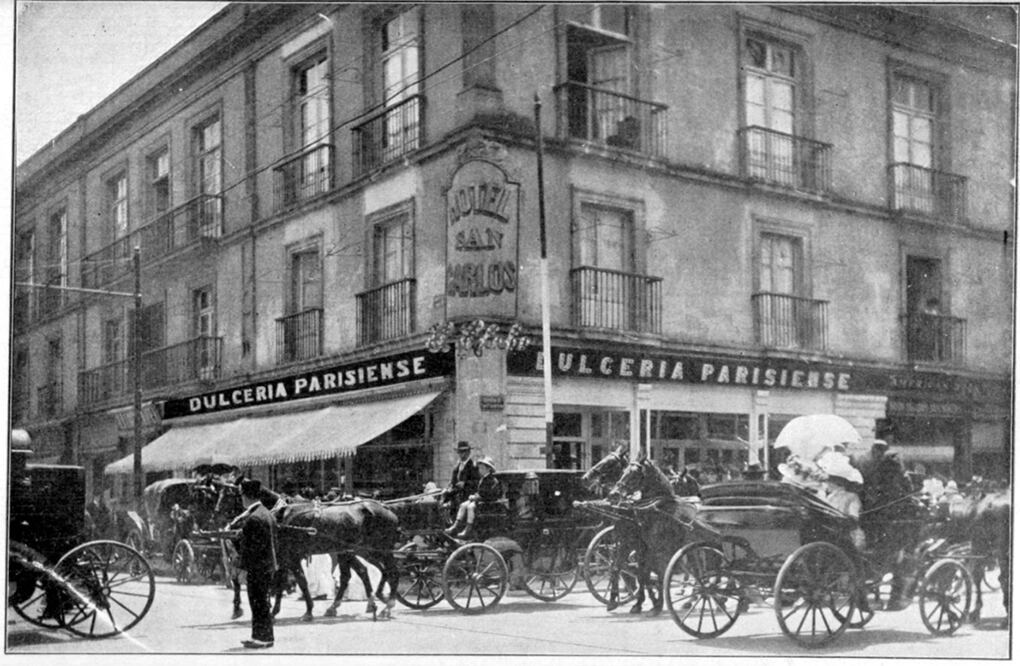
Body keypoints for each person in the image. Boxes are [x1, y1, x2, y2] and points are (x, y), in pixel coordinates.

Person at [860, 440, 914, 610]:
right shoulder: (892, 463)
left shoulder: (861, 460)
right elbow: (907, 488)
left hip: (866, 511)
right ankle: (896, 598)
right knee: (903, 551)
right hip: (889, 515)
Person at [235, 478, 278, 649]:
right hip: (267, 565)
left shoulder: (253, 519)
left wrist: (243, 569)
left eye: (242, 496)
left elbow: (250, 549)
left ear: (246, 497)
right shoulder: (266, 513)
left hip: (257, 568)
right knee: (262, 602)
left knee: (257, 602)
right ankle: (260, 636)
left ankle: (263, 638)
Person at [445, 456, 500, 539]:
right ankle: (456, 525)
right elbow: (479, 490)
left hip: (486, 502)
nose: (480, 470)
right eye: (480, 468)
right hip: (479, 499)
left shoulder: (492, 480)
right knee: (463, 505)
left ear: (488, 469)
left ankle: (468, 529)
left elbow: (489, 494)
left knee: (471, 507)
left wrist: (476, 497)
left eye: (482, 468)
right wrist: (475, 496)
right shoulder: (482, 479)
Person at [443, 441, 479, 518]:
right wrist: (448, 488)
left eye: (464, 451)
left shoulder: (473, 466)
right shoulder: (457, 466)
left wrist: (465, 484)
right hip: (455, 495)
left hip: (467, 496)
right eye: (460, 452)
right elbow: (453, 481)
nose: (462, 454)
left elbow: (477, 482)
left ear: (469, 452)